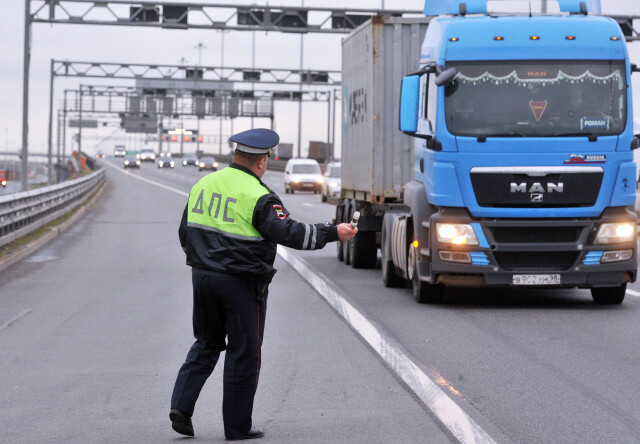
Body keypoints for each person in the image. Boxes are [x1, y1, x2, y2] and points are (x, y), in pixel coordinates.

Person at [169, 128, 358, 440]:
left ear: (237, 155)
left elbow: (184, 232)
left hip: (202, 279)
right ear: (263, 161)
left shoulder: (204, 183)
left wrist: (203, 263)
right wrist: (332, 232)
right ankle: (237, 427)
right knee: (244, 352)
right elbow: (292, 234)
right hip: (241, 285)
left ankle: (181, 406)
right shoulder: (259, 195)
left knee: (206, 342)